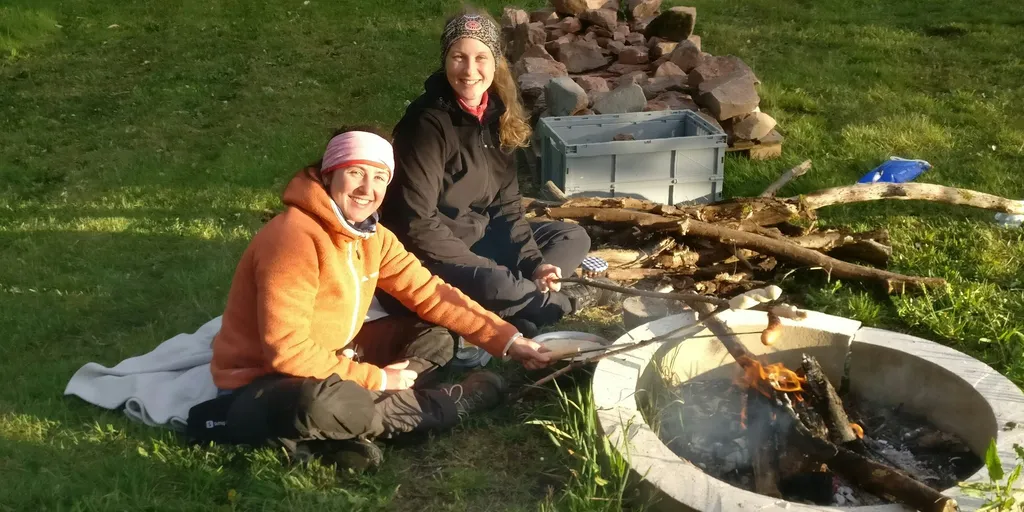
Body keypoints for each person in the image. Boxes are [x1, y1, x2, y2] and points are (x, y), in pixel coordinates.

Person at [189, 128, 552, 472]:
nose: (368, 188)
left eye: (379, 177)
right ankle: (443, 405)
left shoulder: (372, 236)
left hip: (335, 356)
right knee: (320, 403)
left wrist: (509, 339)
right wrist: (377, 379)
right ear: (329, 175)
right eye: (356, 173)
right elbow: (287, 353)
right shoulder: (292, 239)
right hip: (266, 380)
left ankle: (346, 431)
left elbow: (431, 293)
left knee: (435, 335)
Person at [380, 10, 616, 337]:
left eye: (480, 58)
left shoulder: (495, 117)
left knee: (571, 236)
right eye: (458, 57)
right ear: (445, 60)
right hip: (426, 257)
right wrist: (487, 268)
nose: (469, 70)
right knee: (495, 281)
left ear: (495, 62)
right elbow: (417, 223)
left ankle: (523, 308)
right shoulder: (426, 125)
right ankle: (561, 305)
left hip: (479, 241)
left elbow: (507, 209)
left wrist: (537, 265)